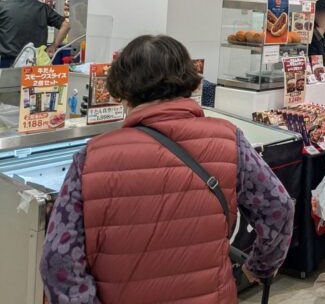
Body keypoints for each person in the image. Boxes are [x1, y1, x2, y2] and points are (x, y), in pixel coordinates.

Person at [39, 35, 294, 304]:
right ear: (189, 79)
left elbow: (59, 260)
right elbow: (279, 208)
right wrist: (259, 267)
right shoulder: (229, 139)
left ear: (122, 89)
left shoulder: (91, 157)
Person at [0, 0, 70, 67]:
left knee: (9, 82)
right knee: (32, 82)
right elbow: (65, 25)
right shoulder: (41, 8)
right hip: (36, 62)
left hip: (8, 62)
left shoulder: (3, 7)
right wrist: (54, 46)